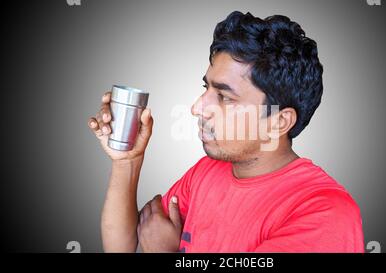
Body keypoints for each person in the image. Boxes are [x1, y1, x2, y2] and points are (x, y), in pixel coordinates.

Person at [88, 11, 364, 253]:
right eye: (206, 88)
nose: (198, 108)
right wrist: (127, 161)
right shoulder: (207, 172)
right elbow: (123, 247)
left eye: (225, 97)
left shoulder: (324, 213)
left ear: (279, 122)